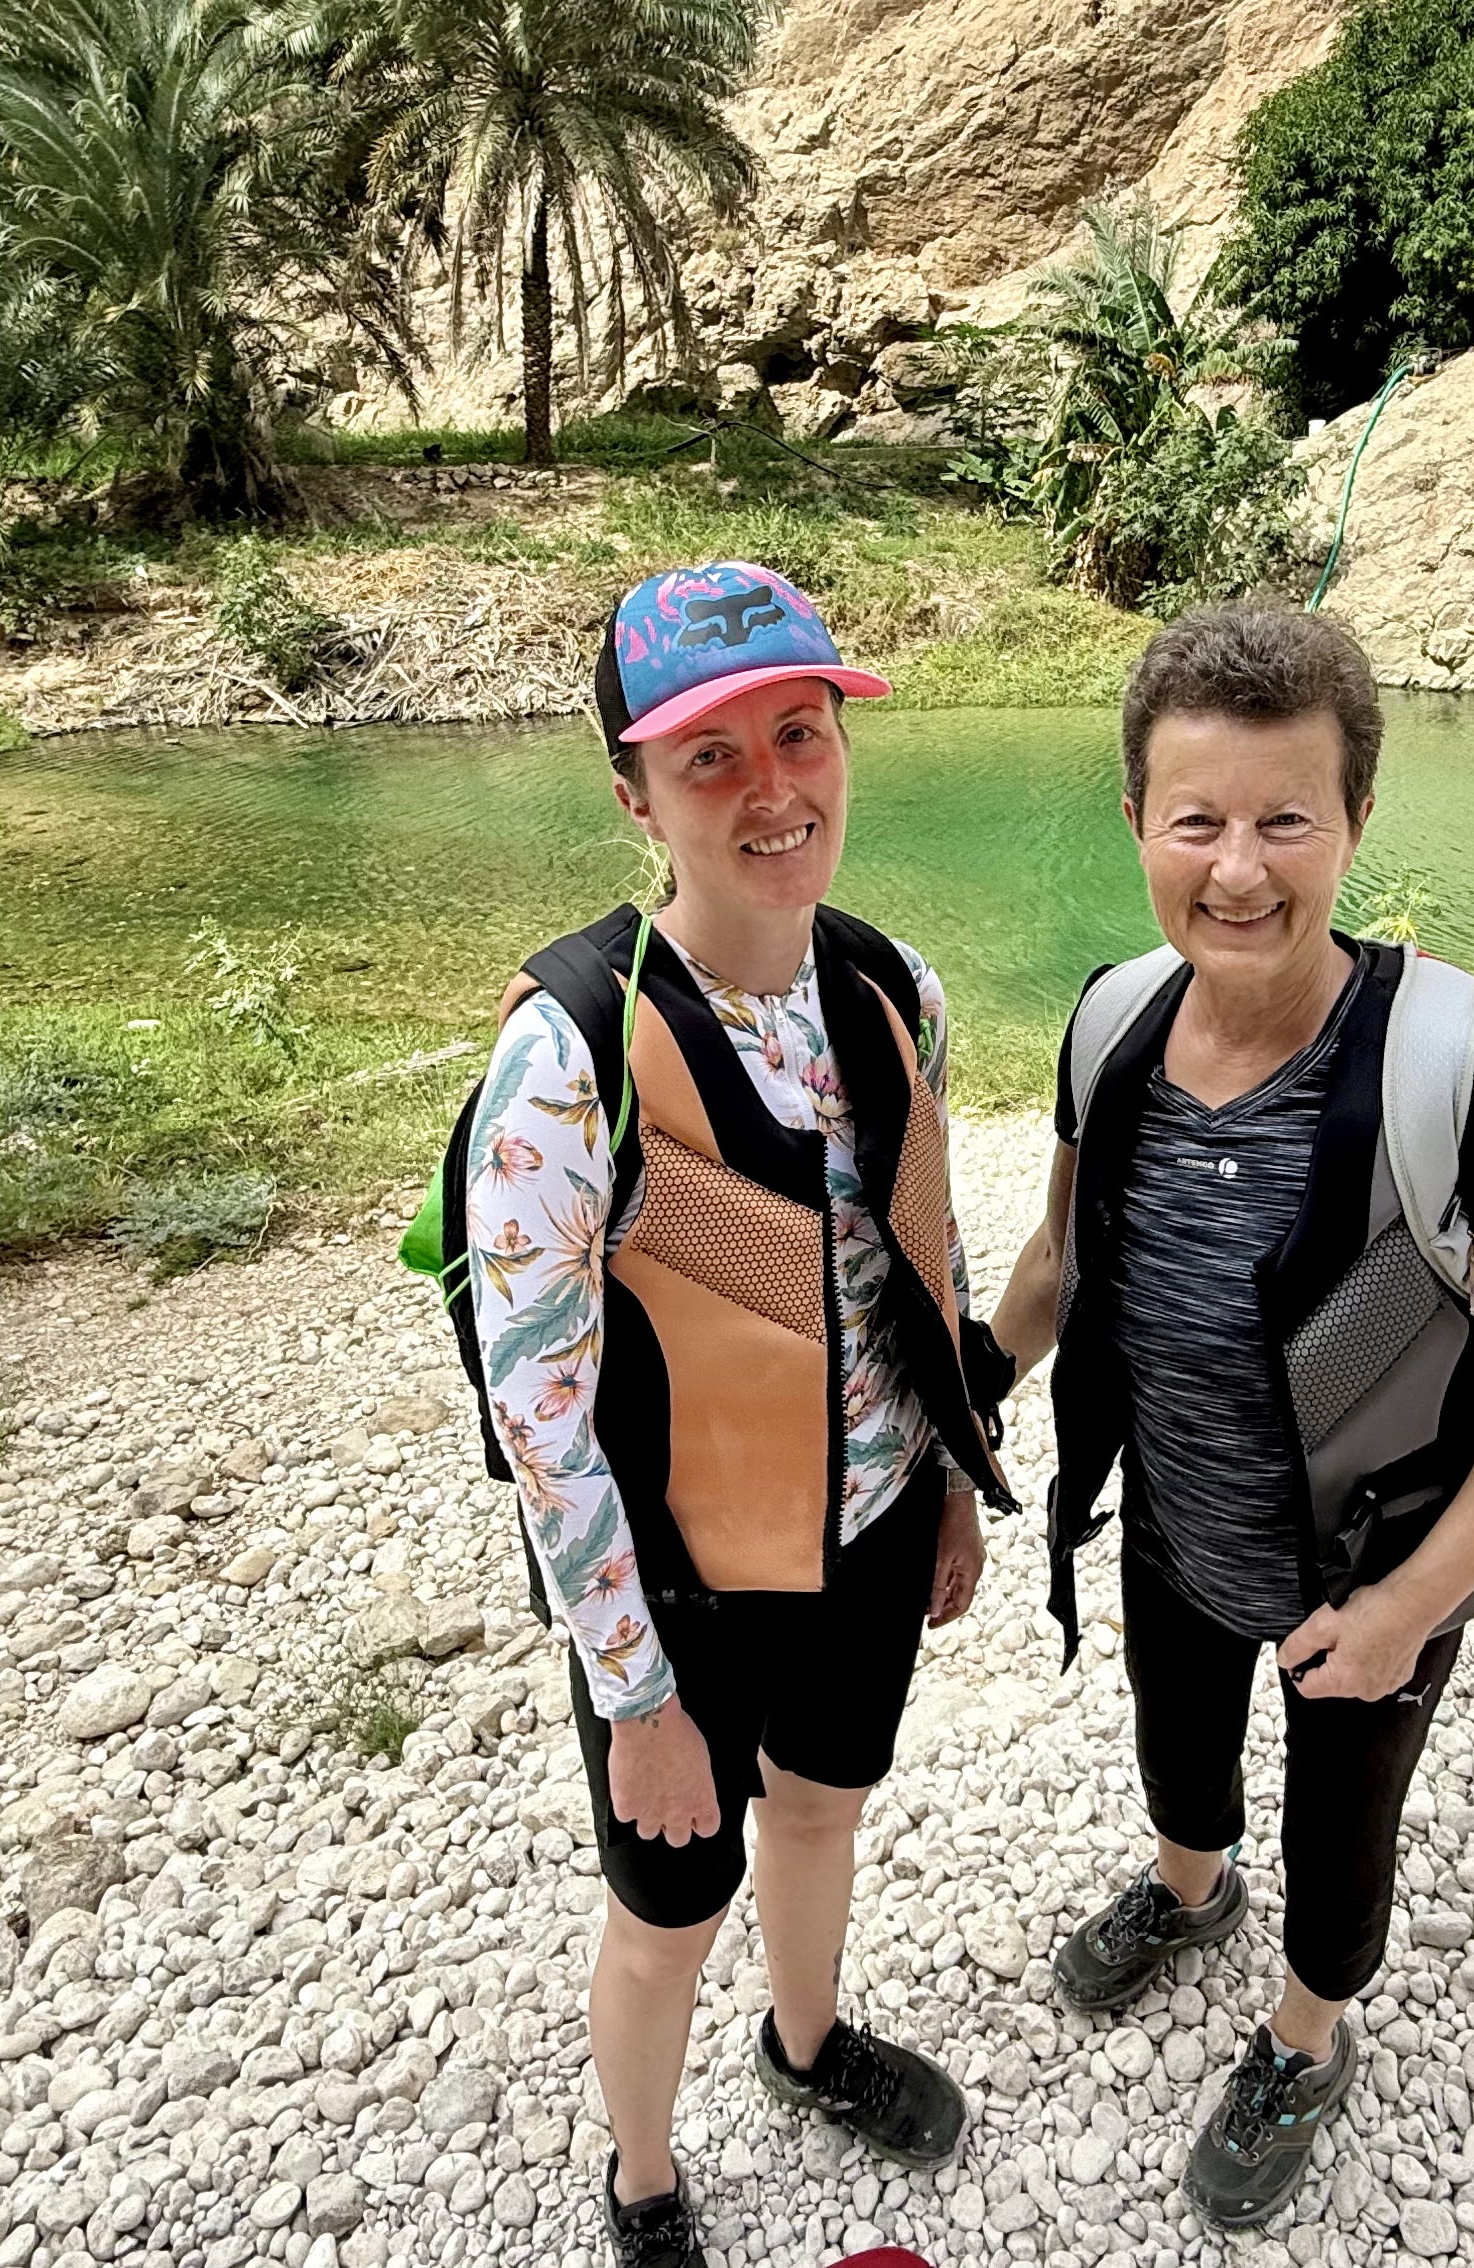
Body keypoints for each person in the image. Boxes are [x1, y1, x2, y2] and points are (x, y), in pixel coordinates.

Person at [990, 604, 1474, 2231]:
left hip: (1372, 1562)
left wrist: (1415, 1605)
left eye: (1287, 820)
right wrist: (959, 1390)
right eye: (1196, 821)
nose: (1239, 870)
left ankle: (1305, 2037)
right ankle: (1190, 1888)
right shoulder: (1112, 1025)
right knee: (1176, 1744)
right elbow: (1062, 1259)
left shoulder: (1449, 1081)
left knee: (1344, 1824)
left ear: (1356, 818)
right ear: (1133, 817)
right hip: (1174, 1520)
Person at [441, 562, 1016, 2268]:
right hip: (679, 1588)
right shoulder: (571, 1057)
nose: (773, 791)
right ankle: (641, 2179)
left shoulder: (895, 988)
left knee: (824, 1806)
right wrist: (637, 1697)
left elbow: (923, 1247)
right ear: (636, 795)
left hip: (872, 1526)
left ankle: (809, 2040)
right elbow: (541, 1414)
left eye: (800, 733)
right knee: (668, 1907)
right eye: (711, 757)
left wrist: (955, 1476)